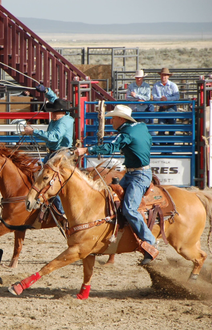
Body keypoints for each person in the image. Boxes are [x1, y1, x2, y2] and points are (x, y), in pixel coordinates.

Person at [76, 104, 157, 265]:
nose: (111, 120)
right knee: (109, 196)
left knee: (129, 208)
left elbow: (111, 146)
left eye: (113, 118)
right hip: (135, 172)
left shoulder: (126, 133)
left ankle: (150, 241)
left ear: (121, 119)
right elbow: (148, 141)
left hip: (138, 176)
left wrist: (86, 150)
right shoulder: (140, 127)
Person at [22, 85, 75, 216]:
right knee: (37, 171)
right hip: (54, 152)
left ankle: (61, 212)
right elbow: (56, 100)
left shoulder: (63, 123)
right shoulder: (64, 115)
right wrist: (47, 91)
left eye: (54, 112)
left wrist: (34, 131)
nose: (52, 114)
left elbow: (54, 137)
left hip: (62, 154)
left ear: (61, 112)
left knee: (53, 179)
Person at [152, 68, 180, 136]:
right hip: (162, 108)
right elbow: (154, 97)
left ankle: (171, 145)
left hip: (171, 108)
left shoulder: (173, 85)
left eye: (165, 75)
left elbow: (177, 97)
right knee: (161, 129)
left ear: (168, 76)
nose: (163, 77)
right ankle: (162, 145)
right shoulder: (156, 85)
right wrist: (160, 99)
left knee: (172, 129)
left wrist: (167, 99)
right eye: (162, 75)